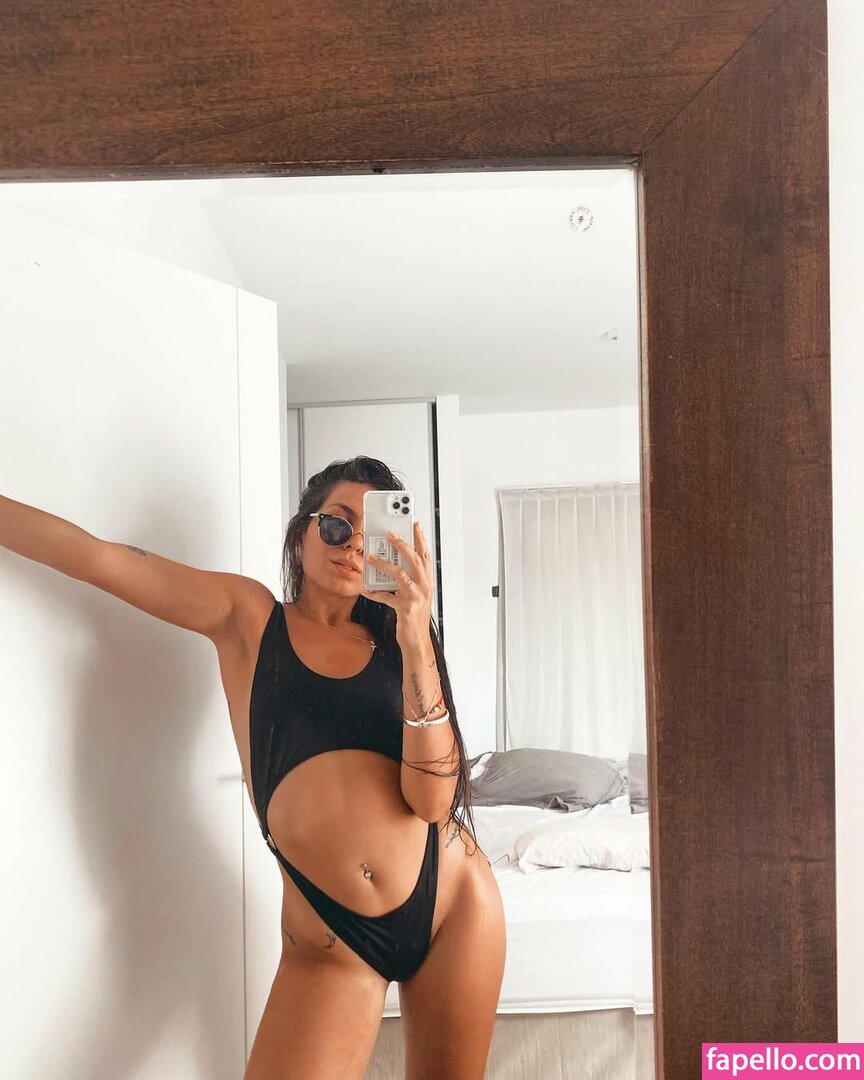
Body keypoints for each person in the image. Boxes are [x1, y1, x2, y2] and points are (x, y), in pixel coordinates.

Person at [0, 455, 506, 1080]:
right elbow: (99, 559)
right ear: (302, 533)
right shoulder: (250, 618)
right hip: (331, 940)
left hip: (452, 907)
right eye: (336, 525)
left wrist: (416, 634)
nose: (351, 546)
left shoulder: (401, 648)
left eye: (371, 533)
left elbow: (432, 802)